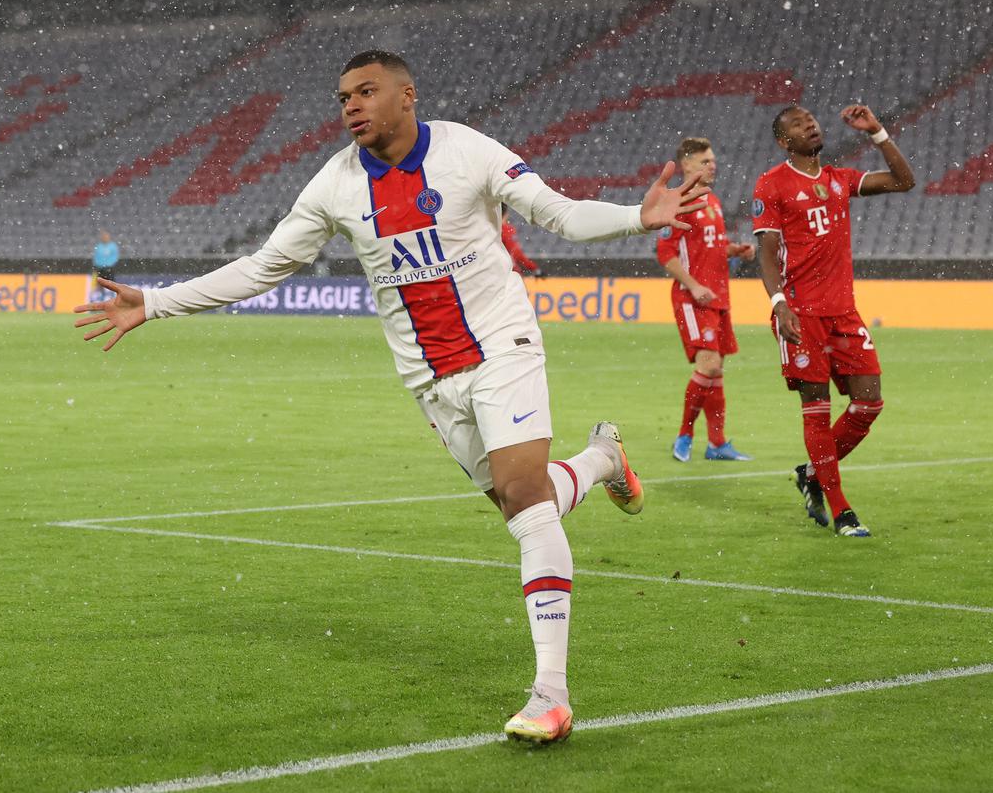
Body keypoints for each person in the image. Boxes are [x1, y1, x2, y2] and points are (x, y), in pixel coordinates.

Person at [74, 50, 708, 743]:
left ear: (407, 95)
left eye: (366, 91)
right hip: (430, 379)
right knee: (519, 499)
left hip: (503, 346)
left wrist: (636, 218)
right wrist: (156, 302)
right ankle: (602, 459)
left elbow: (555, 213)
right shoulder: (335, 185)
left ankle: (549, 693)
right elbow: (264, 266)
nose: (351, 105)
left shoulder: (466, 150)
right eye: (343, 97)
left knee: (527, 505)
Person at [752, 104, 914, 537]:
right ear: (784, 141)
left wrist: (877, 132)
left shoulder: (839, 179)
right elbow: (766, 252)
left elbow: (903, 181)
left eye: (810, 118)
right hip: (801, 315)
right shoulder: (772, 184)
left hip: (843, 313)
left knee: (869, 403)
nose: (809, 124)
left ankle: (811, 473)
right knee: (817, 412)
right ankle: (842, 511)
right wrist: (779, 304)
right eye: (797, 123)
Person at [657, 137, 755, 463]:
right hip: (693, 297)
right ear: (686, 165)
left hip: (718, 297)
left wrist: (735, 250)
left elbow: (712, 247)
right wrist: (695, 286)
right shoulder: (678, 201)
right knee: (709, 366)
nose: (713, 166)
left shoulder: (711, 199)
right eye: (705, 161)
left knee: (716, 371)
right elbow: (666, 254)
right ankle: (684, 435)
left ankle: (717, 444)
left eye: (713, 160)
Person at [501, 205, 543, 276]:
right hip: (508, 272)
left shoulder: (487, 230)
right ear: (506, 213)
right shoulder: (506, 230)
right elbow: (516, 253)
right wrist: (533, 268)